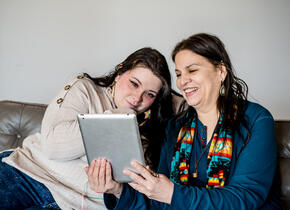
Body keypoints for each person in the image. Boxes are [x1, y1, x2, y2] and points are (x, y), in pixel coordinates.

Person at [87, 33, 281, 209]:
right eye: (179, 74)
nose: (182, 81)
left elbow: (245, 198)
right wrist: (117, 190)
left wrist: (172, 193)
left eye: (192, 70)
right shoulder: (175, 127)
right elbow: (158, 202)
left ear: (221, 72)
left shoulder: (256, 120)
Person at [0, 47, 182, 209]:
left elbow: (190, 103)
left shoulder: (151, 130)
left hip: (74, 202)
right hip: (27, 173)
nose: (137, 98)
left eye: (149, 94)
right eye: (134, 83)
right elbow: (53, 147)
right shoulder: (85, 89)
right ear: (119, 73)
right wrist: (120, 116)